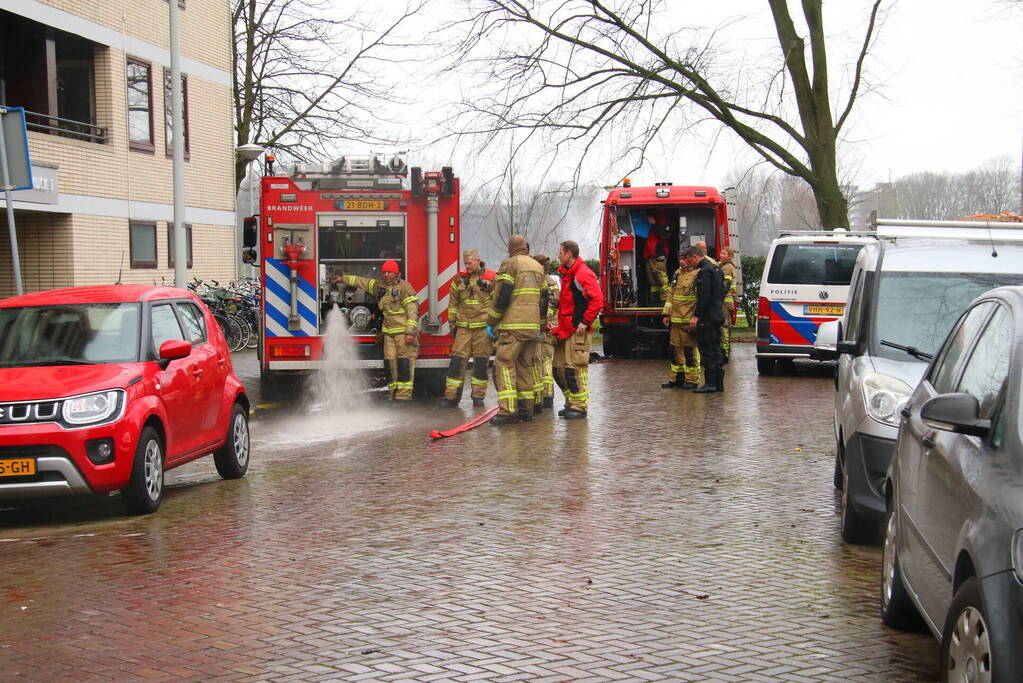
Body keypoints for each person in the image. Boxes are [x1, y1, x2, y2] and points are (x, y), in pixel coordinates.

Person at [335, 260, 419, 402]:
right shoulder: (379, 286)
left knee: (404, 364)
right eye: (384, 272)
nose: (386, 275)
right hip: (388, 334)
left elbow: (412, 311)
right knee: (390, 364)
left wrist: (410, 333)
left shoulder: (404, 288)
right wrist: (343, 279)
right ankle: (394, 395)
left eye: (389, 272)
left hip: (403, 334)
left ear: (396, 273)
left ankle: (404, 398)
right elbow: (361, 281)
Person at [487, 235, 548, 425]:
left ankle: (507, 411)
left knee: (504, 364)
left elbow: (502, 296)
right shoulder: (538, 267)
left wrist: (492, 321)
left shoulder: (510, 264)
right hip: (532, 328)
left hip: (513, 327)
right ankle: (525, 411)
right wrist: (541, 324)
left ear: (510, 248)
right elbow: (544, 299)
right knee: (524, 367)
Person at [552, 240, 604, 419]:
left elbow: (597, 300)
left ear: (568, 254)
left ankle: (579, 406)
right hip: (566, 330)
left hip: (577, 330)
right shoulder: (569, 274)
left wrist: (585, 321)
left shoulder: (582, 274)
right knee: (558, 369)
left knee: (574, 369)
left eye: (560, 252)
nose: (558, 255)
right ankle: (571, 401)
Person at [441, 249, 496, 408]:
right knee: (456, 362)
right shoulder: (460, 278)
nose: (467, 267)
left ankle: (478, 398)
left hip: (482, 329)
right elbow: (453, 302)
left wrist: (494, 325)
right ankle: (451, 397)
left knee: (480, 364)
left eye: (469, 263)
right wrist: (451, 323)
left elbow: (498, 302)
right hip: (463, 328)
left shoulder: (492, 278)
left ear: (478, 260)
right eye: (465, 263)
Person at [682, 246, 725, 393]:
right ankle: (719, 383)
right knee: (717, 349)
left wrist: (696, 315)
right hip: (717, 314)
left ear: (695, 257)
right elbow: (721, 292)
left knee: (707, 350)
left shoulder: (704, 272)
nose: (690, 264)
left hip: (707, 317)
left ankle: (710, 383)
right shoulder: (717, 269)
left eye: (690, 260)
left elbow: (703, 296)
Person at [660, 253, 702, 390]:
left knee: (689, 352)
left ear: (691, 259)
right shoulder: (677, 273)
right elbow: (670, 294)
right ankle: (677, 378)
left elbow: (699, 298)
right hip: (675, 320)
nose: (681, 262)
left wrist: (696, 317)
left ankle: (692, 380)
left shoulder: (697, 274)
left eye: (684, 259)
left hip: (687, 320)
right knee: (674, 350)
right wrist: (666, 314)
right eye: (679, 259)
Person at [533, 254, 559, 410]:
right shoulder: (553, 283)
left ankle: (539, 398)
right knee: (547, 360)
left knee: (538, 361)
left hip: (541, 327)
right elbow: (556, 304)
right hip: (550, 327)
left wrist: (541, 322)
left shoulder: (540, 283)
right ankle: (549, 396)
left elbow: (547, 307)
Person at [643, 210, 672, 304]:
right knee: (653, 282)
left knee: (662, 279)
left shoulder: (664, 217)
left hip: (659, 254)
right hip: (649, 255)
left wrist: (654, 223)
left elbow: (665, 234)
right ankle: (655, 302)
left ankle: (665, 302)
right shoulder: (653, 217)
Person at [718, 247, 738, 362]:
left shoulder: (727, 268)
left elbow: (724, 286)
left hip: (725, 300)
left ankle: (724, 352)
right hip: (726, 300)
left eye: (724, 253)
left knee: (724, 326)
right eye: (721, 252)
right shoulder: (723, 265)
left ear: (729, 256)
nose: (721, 255)